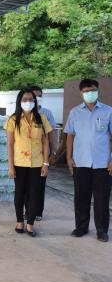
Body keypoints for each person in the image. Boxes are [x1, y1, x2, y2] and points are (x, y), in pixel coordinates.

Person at [64, 79, 112, 243]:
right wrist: (69, 158)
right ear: (81, 93)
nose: (90, 93)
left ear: (98, 91)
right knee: (81, 197)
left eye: (92, 90)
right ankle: (81, 227)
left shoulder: (108, 111)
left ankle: (102, 230)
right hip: (80, 162)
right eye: (86, 91)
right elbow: (70, 135)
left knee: (102, 199)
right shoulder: (74, 112)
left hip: (102, 163)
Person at [5, 88, 52, 237]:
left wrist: (46, 163)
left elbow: (45, 142)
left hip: (37, 163)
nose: (28, 102)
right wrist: (10, 166)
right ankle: (20, 221)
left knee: (34, 194)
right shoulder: (13, 120)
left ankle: (30, 224)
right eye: (25, 99)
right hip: (19, 163)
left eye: (31, 99)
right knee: (20, 193)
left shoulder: (41, 118)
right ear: (19, 101)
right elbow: (10, 144)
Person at [29, 85, 58, 221]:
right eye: (34, 96)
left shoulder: (47, 113)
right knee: (27, 186)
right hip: (27, 157)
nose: (37, 98)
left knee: (40, 185)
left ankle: (38, 212)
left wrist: (53, 153)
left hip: (43, 157)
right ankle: (28, 211)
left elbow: (51, 135)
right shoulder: (22, 113)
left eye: (39, 95)